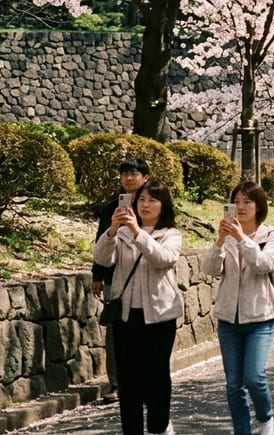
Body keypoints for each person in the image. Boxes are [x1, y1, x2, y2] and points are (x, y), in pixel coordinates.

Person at [92, 179, 183, 435]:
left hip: (160, 315)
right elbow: (102, 258)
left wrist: (137, 233)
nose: (145, 205)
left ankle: (159, 427)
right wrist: (112, 230)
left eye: (152, 200)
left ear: (163, 206)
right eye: (141, 199)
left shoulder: (171, 234)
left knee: (156, 376)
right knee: (129, 381)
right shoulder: (121, 232)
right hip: (126, 314)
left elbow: (163, 259)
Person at [201, 181, 274, 435]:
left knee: (254, 377)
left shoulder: (270, 235)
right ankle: (241, 431)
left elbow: (264, 264)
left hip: (261, 316)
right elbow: (210, 270)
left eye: (247, 202)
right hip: (228, 319)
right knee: (234, 385)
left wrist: (242, 239)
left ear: (259, 206)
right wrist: (219, 241)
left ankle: (266, 418)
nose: (241, 207)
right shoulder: (227, 237)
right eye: (236, 202)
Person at [91, 158, 150, 403]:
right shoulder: (112, 206)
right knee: (115, 330)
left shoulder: (153, 203)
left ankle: (143, 378)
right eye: (124, 173)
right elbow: (101, 240)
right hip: (115, 276)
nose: (128, 178)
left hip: (145, 274)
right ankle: (116, 383)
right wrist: (97, 274)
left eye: (134, 173)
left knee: (143, 328)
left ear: (145, 177)